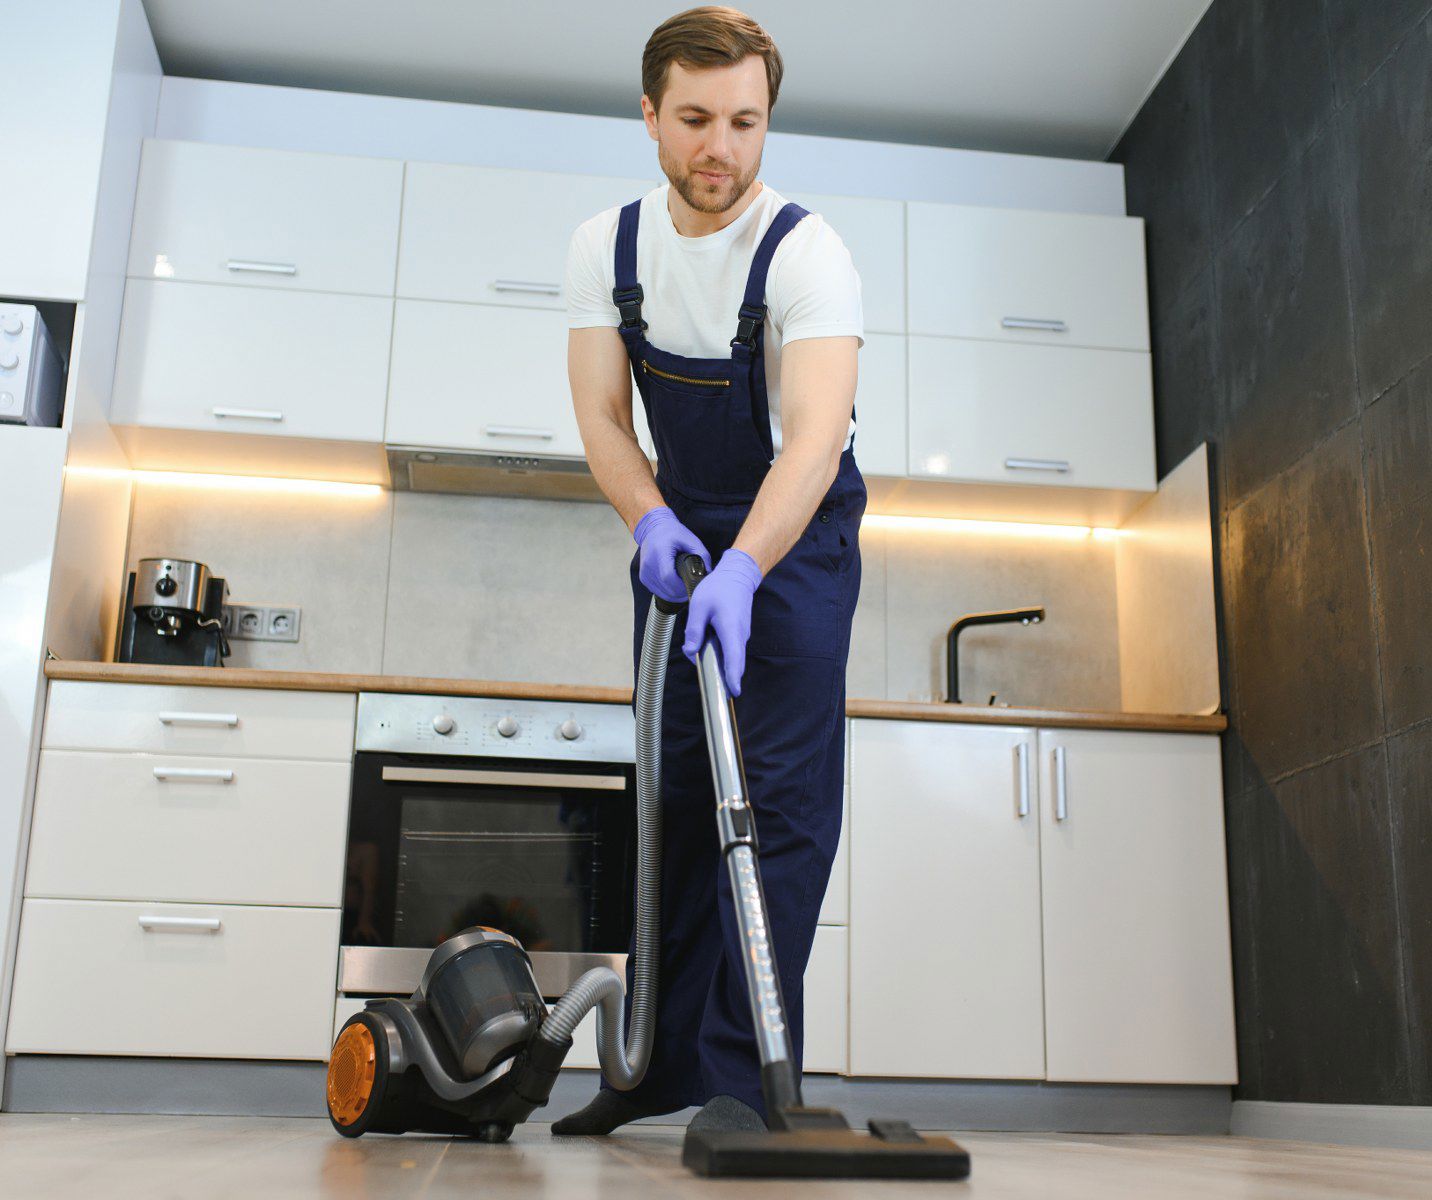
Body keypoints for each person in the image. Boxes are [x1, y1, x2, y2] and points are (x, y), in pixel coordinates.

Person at [555, 4, 866, 1136]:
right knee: (676, 803)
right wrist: (649, 523)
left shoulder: (805, 252)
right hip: (677, 543)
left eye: (744, 121)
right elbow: (599, 415)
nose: (718, 148)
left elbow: (815, 435)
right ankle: (648, 1069)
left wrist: (745, 565)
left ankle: (738, 1084)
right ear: (649, 116)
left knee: (777, 810)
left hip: (793, 546)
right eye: (693, 118)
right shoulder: (609, 246)